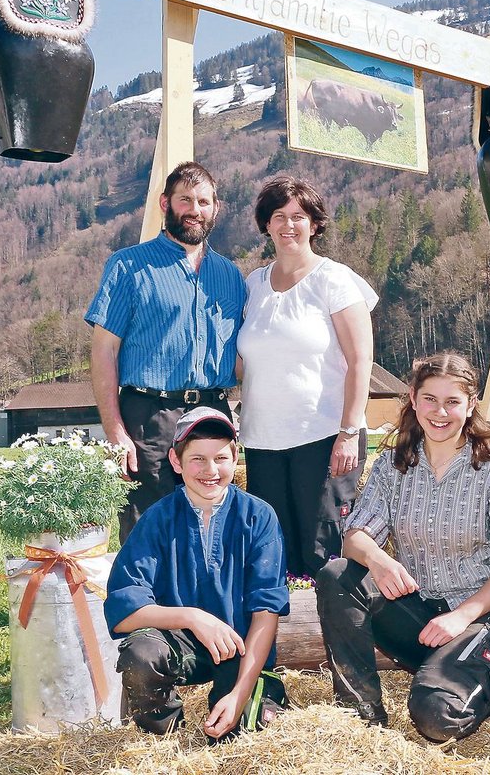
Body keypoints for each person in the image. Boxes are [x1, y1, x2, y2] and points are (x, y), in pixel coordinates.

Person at [314, 353, 490, 741]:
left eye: (453, 401)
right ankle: (361, 713)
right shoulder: (392, 466)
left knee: (436, 719)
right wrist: (378, 560)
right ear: (413, 399)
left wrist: (463, 616)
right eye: (430, 399)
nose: (440, 412)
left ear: (471, 406)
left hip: (484, 617)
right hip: (420, 615)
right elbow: (355, 536)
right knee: (337, 576)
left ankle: (466, 680)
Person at [105, 407, 290, 741]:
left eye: (220, 458)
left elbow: (267, 614)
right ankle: (165, 737)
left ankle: (242, 702)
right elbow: (124, 613)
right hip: (180, 641)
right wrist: (192, 617)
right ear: (176, 462)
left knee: (246, 733)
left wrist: (239, 696)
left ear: (236, 459)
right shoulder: (156, 519)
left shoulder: (259, 517)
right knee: (140, 655)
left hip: (240, 647)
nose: (211, 470)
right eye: (197, 459)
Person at [86, 161, 245, 540]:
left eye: (203, 201)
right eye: (185, 200)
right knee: (148, 528)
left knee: (212, 525)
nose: (195, 210)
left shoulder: (231, 276)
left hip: (213, 411)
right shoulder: (128, 266)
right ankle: (148, 600)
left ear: (215, 208)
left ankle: (206, 600)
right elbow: (104, 351)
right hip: (148, 416)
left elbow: (243, 355)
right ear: (165, 204)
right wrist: (114, 430)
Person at [236, 175, 377, 579]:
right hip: (263, 441)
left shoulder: (334, 279)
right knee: (274, 556)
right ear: (266, 225)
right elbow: (246, 362)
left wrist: (349, 431)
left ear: (314, 224)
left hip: (325, 438)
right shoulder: (254, 285)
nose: (288, 225)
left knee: (323, 554)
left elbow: (360, 359)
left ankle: (332, 640)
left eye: (298, 216)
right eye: (278, 216)